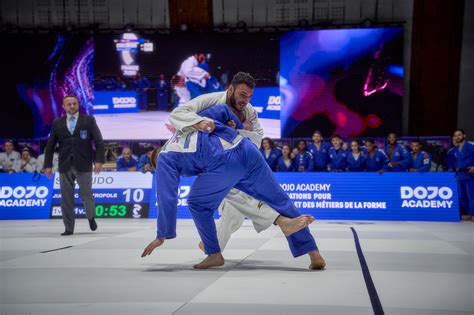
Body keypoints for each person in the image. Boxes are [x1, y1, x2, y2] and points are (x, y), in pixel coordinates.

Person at [161, 72, 326, 268]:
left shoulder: (250, 112)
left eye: (249, 96)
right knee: (233, 211)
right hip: (216, 163)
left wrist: (237, 130)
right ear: (229, 89)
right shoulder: (210, 100)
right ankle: (215, 247)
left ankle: (312, 252)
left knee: (263, 203)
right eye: (241, 95)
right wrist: (197, 123)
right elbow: (177, 114)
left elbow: (256, 140)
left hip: (240, 161)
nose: (245, 100)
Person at [44, 95, 105, 235]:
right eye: (69, 104)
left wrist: (99, 161)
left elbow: (99, 142)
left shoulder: (88, 120)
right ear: (64, 106)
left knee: (86, 195)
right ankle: (69, 228)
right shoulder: (57, 123)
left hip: (83, 163)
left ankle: (90, 217)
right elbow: (51, 145)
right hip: (65, 165)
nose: (72, 106)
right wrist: (47, 165)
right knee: (66, 198)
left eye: (74, 104)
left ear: (78, 105)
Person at [452, 129, 474, 221]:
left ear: (464, 136)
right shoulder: (456, 149)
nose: (457, 137)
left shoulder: (470, 146)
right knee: (463, 197)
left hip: (469, 174)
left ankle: (473, 214)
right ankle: (470, 213)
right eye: (456, 135)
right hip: (460, 175)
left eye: (459, 135)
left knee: (472, 196)